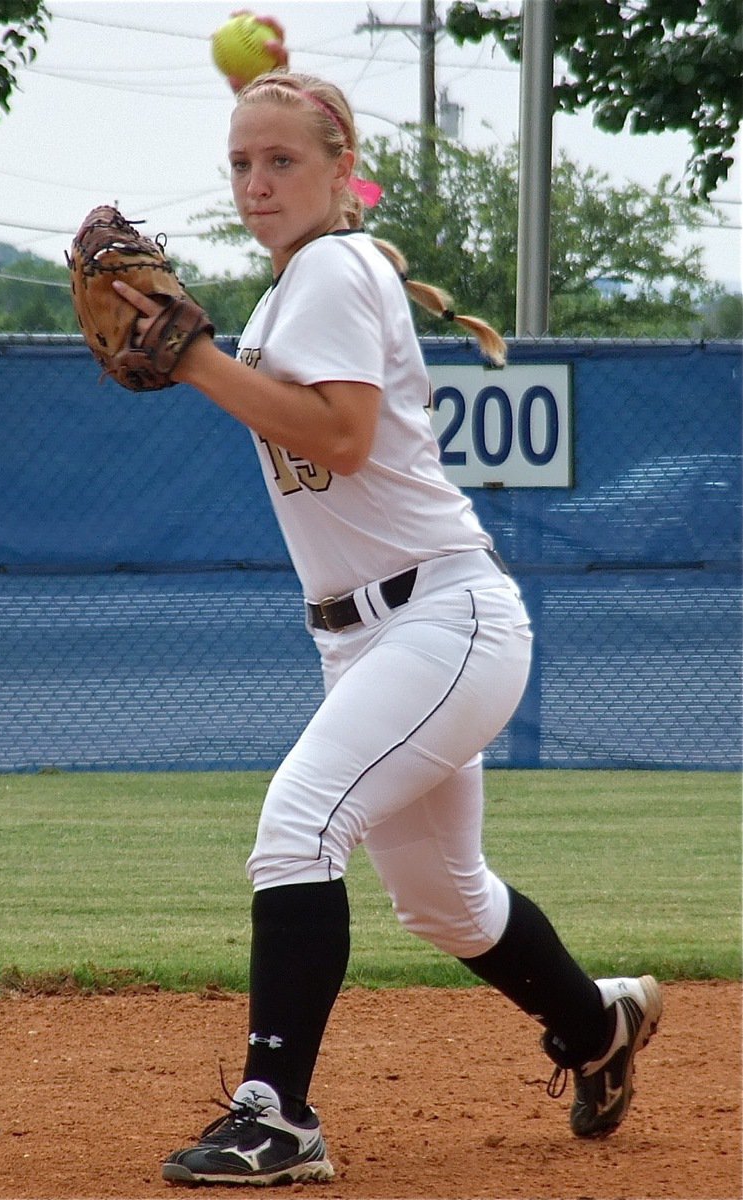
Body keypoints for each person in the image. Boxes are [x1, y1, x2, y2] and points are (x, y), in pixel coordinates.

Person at [114, 57, 663, 1190]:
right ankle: (598, 1025)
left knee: (297, 823)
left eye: (281, 161)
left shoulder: (329, 264)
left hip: (440, 616)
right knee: (442, 900)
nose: (256, 183)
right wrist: (207, 357)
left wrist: (198, 358)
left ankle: (277, 1118)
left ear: (339, 171)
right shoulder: (288, 291)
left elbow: (343, 438)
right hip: (374, 635)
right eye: (240, 164)